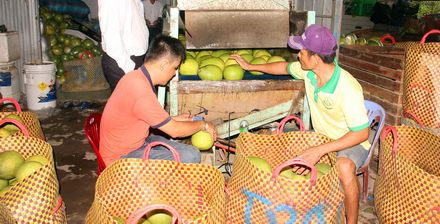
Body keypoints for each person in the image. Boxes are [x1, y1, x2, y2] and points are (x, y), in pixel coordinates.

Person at [230, 24, 370, 224]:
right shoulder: (310, 72)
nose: (298, 55)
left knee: (344, 166)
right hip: (322, 138)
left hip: (349, 141)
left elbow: (361, 133)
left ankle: (352, 221)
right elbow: (282, 67)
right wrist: (251, 66)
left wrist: (319, 150)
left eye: (302, 51)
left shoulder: (347, 87)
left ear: (316, 58)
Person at [99, 35, 218, 166]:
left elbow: (146, 117)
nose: (174, 73)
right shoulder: (141, 91)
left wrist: (175, 119)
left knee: (187, 150)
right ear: (163, 65)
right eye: (175, 67)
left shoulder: (135, 76)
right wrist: (204, 125)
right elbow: (175, 131)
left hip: (135, 142)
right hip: (121, 159)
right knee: (191, 156)